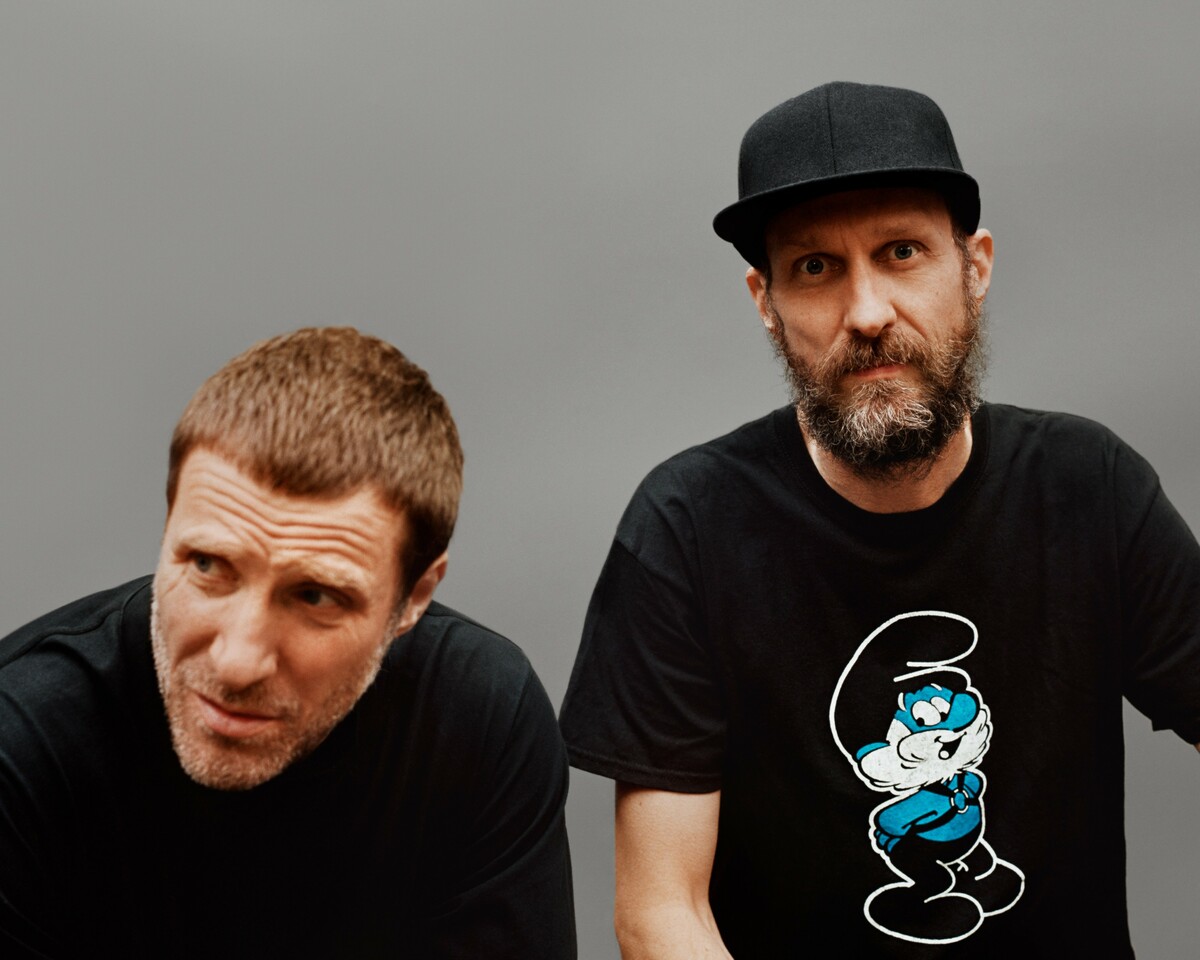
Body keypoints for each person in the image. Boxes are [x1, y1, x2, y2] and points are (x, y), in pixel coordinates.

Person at [559, 81, 1200, 957]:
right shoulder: (687, 529)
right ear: (765, 301)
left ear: (974, 268)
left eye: (902, 252)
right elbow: (661, 912)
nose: (866, 314)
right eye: (815, 268)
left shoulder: (1091, 487)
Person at [0, 327, 576, 958]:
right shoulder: (21, 739)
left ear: (413, 597)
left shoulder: (480, 718)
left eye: (315, 596)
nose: (237, 662)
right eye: (208, 565)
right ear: (168, 527)